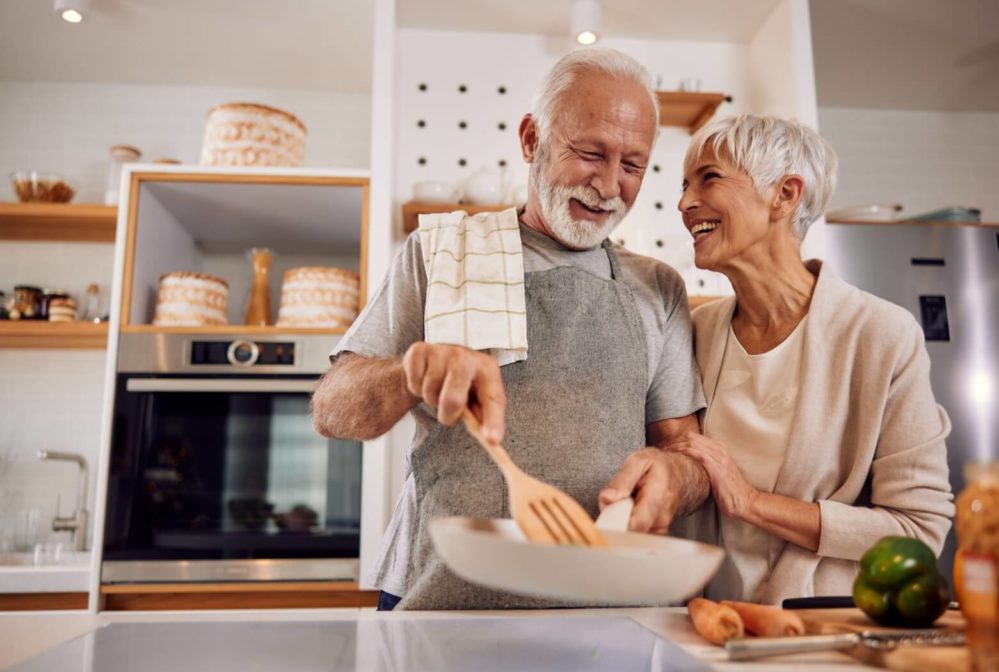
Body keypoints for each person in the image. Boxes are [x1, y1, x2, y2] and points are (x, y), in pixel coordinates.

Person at [312, 48, 709, 611]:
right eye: (591, 153)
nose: (609, 185)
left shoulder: (658, 288)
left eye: (633, 165)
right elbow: (332, 410)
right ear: (531, 140)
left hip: (606, 612)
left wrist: (676, 474)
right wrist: (408, 373)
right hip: (442, 602)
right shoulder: (441, 254)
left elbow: (688, 455)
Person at [675, 114, 955, 604]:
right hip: (702, 624)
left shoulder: (881, 336)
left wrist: (752, 502)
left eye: (709, 178)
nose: (684, 203)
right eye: (684, 185)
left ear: (785, 195)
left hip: (819, 631)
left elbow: (917, 532)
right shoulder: (692, 333)